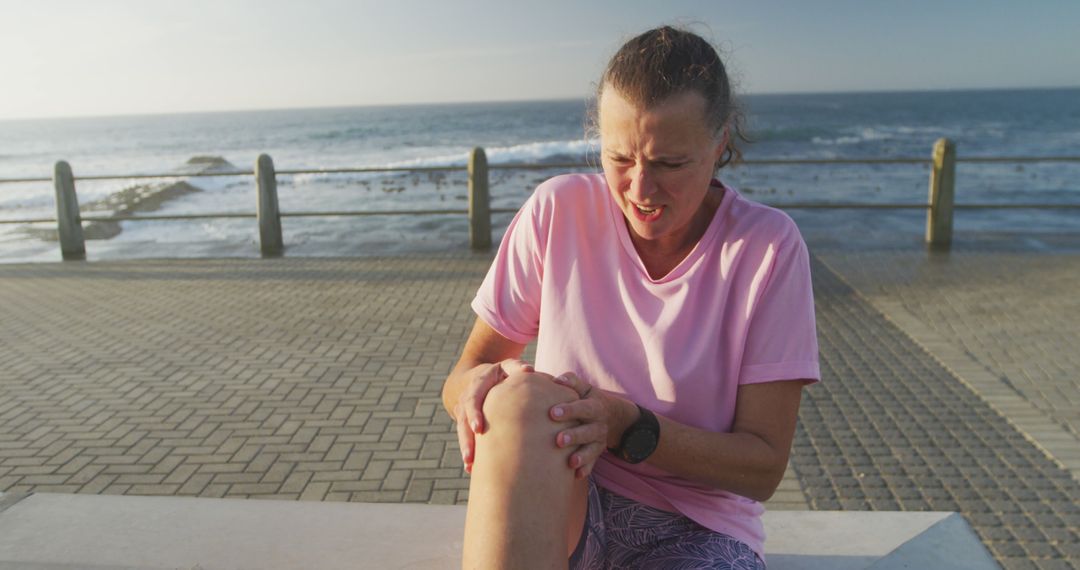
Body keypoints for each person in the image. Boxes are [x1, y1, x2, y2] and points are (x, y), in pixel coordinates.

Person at [441, 26, 820, 569]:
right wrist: (474, 394)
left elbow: (762, 468)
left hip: (699, 527)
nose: (641, 190)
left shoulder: (767, 248)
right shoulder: (558, 211)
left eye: (670, 164)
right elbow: (463, 374)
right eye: (619, 158)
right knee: (520, 399)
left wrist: (628, 424)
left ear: (720, 144)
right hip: (567, 497)